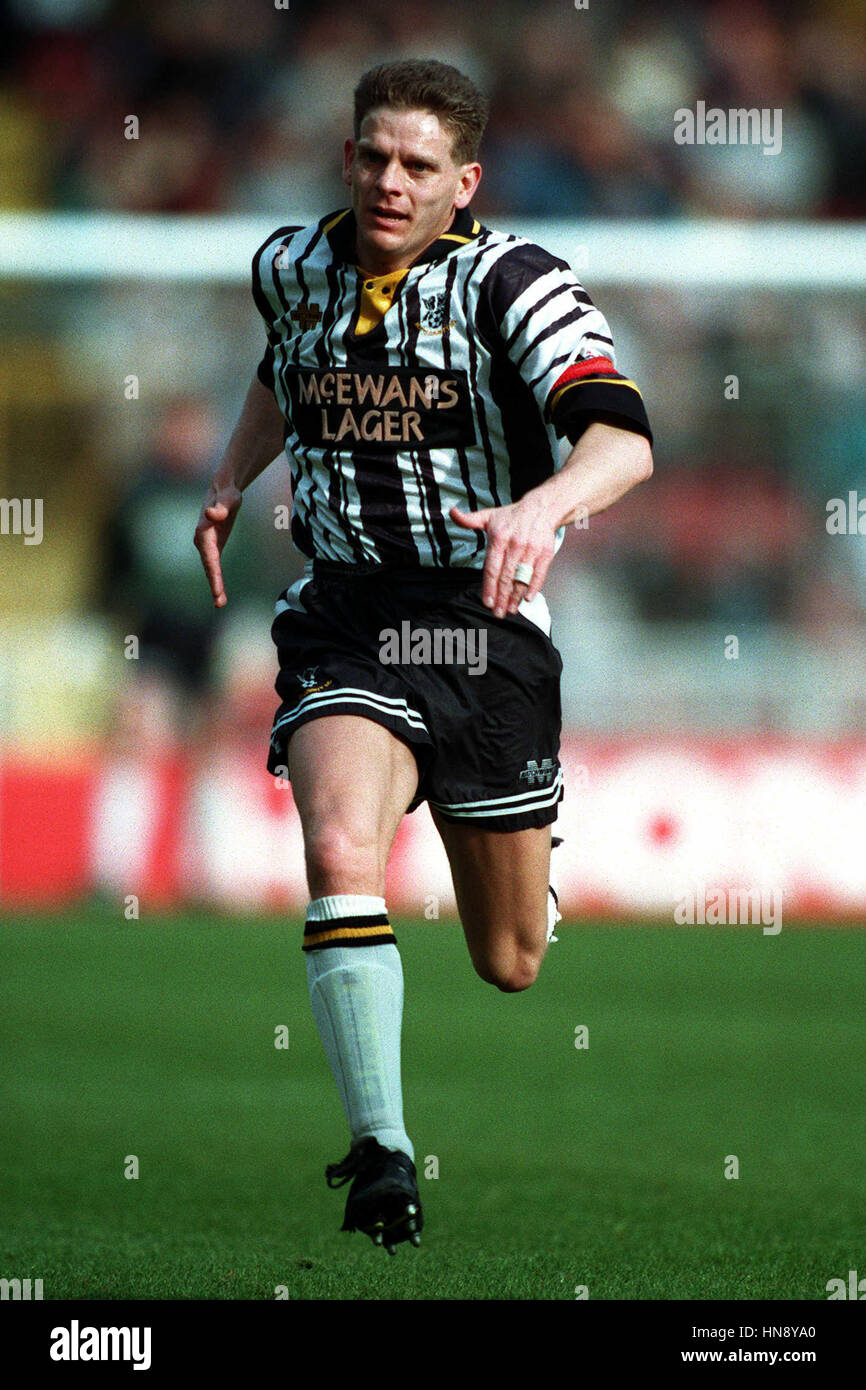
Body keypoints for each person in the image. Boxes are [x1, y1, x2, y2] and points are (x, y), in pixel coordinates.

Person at [194, 59, 653, 1255]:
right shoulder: (291, 266)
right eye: (371, 157)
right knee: (340, 843)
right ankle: (382, 1152)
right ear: (346, 156)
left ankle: (526, 843)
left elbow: (619, 435)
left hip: (476, 622)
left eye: (415, 166)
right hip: (346, 611)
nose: (388, 183)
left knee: (509, 962)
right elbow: (281, 366)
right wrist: (235, 477)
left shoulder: (517, 283)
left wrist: (540, 508)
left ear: (464, 183)